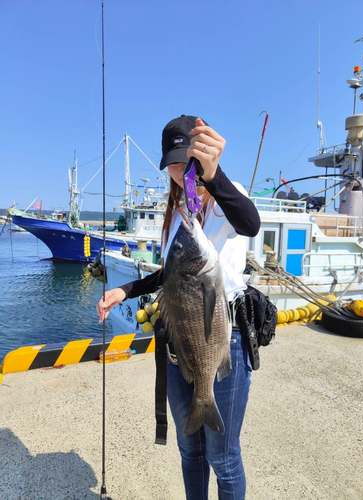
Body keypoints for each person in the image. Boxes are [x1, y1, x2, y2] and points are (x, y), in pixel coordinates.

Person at [96, 115, 261, 500]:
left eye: (183, 158)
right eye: (170, 160)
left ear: (199, 155)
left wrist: (213, 176)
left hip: (222, 338)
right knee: (190, 450)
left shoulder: (225, 194)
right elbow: (173, 271)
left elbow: (250, 223)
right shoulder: (175, 207)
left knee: (224, 457)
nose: (176, 169)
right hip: (177, 344)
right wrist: (126, 290)